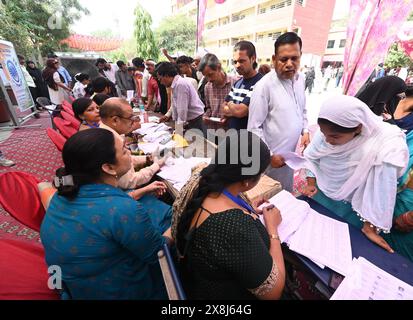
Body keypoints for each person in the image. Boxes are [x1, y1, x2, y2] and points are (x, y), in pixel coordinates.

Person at [40, 129, 172, 299]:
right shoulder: (123, 210)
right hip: (119, 291)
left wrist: (142, 191)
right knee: (171, 218)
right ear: (108, 167)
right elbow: (158, 252)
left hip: (77, 288)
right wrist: (177, 223)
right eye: (125, 150)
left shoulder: (61, 194)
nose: (129, 153)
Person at [173, 131, 285, 299]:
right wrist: (273, 229)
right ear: (247, 181)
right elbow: (273, 292)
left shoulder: (201, 179)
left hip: (199, 279)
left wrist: (247, 208)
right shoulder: (233, 227)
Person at [301, 95, 409, 253]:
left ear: (358, 127)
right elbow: (312, 157)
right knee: (310, 241)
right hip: (320, 196)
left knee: (337, 249)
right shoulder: (327, 132)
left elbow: (382, 187)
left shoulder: (385, 144)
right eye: (324, 134)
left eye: (335, 137)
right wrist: (311, 183)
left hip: (353, 209)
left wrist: (370, 227)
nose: (327, 140)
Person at [248, 32, 309, 192]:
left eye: (294, 58)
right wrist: (269, 156)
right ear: (274, 59)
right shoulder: (264, 86)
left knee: (285, 196)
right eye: (283, 59)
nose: (289, 64)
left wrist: (306, 130)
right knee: (267, 197)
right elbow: (254, 128)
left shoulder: (300, 79)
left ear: (300, 56)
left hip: (289, 157)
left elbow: (302, 108)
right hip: (269, 159)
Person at [99, 98, 167, 191]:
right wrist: (156, 165)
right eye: (130, 118)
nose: (134, 122)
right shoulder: (111, 141)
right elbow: (129, 182)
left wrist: (147, 159)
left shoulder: (105, 132)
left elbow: (127, 159)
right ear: (115, 120)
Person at [222, 41, 263, 130]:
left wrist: (230, 104)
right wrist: (235, 110)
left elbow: (240, 111)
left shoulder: (260, 83)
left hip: (249, 139)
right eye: (235, 62)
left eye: (242, 61)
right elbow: (223, 108)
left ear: (253, 58)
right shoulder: (237, 83)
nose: (237, 65)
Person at [156, 62, 206, 136]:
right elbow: (175, 103)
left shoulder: (180, 84)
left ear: (166, 75)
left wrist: (178, 130)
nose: (161, 83)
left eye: (160, 79)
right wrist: (167, 115)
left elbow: (182, 110)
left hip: (196, 122)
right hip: (190, 121)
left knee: (197, 144)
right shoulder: (176, 84)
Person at [198, 53, 238, 118]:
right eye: (205, 76)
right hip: (213, 127)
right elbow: (209, 108)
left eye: (210, 75)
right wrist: (206, 116)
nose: (209, 79)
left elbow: (239, 110)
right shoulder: (207, 87)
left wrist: (228, 117)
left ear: (218, 67)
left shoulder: (235, 83)